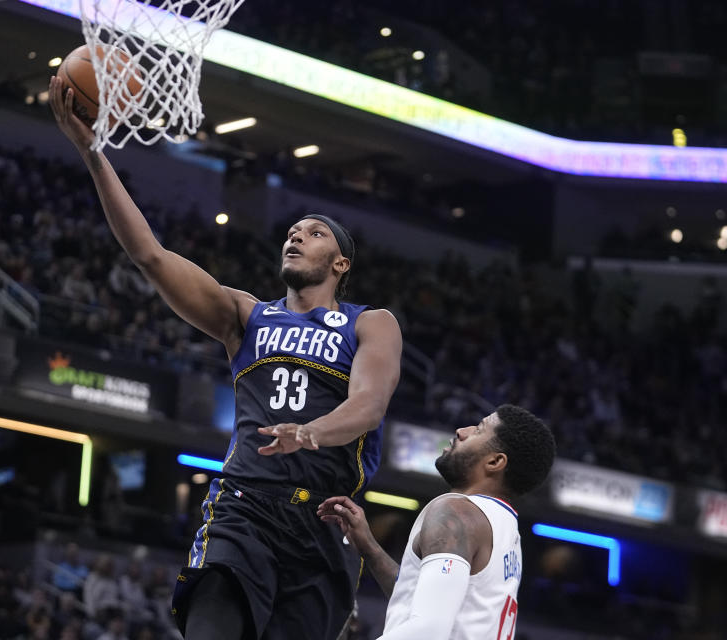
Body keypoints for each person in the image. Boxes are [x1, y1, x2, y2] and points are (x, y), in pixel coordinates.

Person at [49, 76, 403, 640]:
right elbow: (149, 255)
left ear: (340, 264)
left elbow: (368, 403)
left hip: (324, 521)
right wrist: (92, 153)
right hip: (245, 506)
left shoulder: (370, 322)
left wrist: (307, 434)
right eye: (291, 231)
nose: (296, 237)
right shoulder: (246, 315)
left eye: (313, 234)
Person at [318, 405, 556, 639]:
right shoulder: (506, 528)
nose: (462, 431)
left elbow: (429, 630)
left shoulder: (456, 512)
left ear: (495, 462)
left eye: (479, 429)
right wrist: (370, 549)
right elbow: (423, 601)